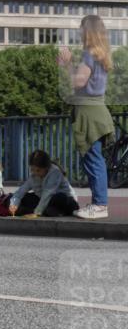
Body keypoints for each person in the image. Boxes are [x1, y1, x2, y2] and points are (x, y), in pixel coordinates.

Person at [59, 14, 114, 220]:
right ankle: (98, 203)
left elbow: (78, 82)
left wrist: (67, 64)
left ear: (88, 31)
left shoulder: (89, 54)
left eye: (81, 28)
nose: (79, 32)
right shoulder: (101, 54)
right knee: (94, 159)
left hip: (89, 113)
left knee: (93, 160)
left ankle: (100, 205)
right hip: (97, 110)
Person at [9, 150, 79, 218]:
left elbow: (48, 193)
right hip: (45, 201)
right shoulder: (33, 176)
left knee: (59, 197)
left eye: (38, 170)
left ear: (47, 168)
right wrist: (13, 205)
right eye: (32, 169)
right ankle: (49, 211)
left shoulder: (55, 172)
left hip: (66, 202)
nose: (35, 173)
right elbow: (20, 192)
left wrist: (36, 213)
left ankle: (51, 211)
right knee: (26, 197)